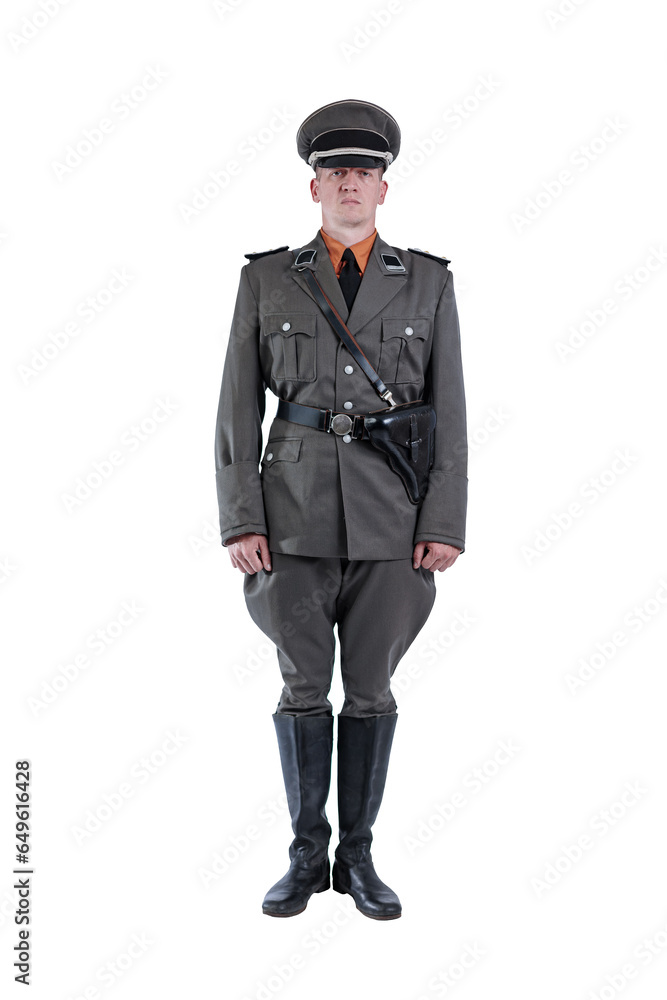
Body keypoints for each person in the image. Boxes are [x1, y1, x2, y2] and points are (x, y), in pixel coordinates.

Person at [214, 99, 468, 920]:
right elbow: (235, 408)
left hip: (393, 518)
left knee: (370, 690)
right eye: (335, 172)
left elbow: (450, 410)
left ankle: (356, 858)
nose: (349, 183)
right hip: (289, 517)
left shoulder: (427, 281)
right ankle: (303, 855)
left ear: (383, 188)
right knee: (300, 688)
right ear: (313, 186)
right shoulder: (265, 279)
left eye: (363, 172)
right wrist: (240, 518)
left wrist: (442, 523)